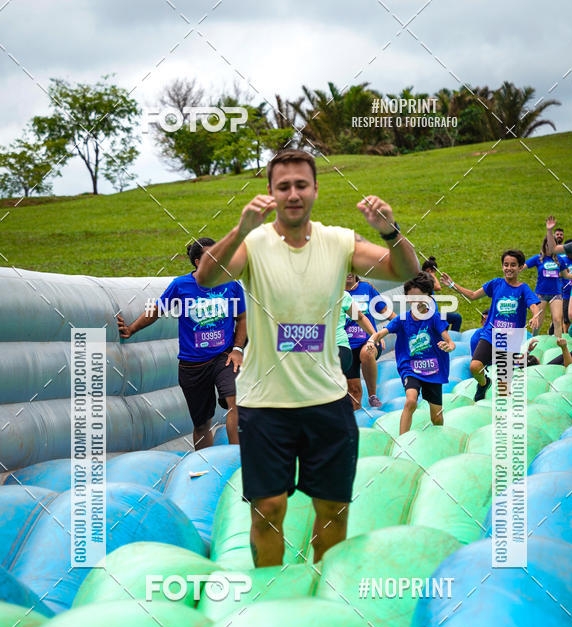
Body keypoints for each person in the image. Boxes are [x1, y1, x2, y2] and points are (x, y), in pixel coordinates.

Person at [195, 148, 420, 567]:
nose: (293, 193)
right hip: (265, 405)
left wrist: (391, 231)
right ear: (270, 193)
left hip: (327, 402)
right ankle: (270, 600)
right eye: (284, 186)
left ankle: (324, 596)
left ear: (315, 189)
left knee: (332, 512)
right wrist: (241, 228)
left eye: (301, 184)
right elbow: (206, 277)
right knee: (268, 512)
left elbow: (404, 269)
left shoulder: (338, 241)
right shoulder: (253, 244)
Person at [117, 238, 246, 451]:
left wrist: (237, 349)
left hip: (223, 357)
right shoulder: (181, 286)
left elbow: (242, 318)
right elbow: (156, 311)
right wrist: (131, 329)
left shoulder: (231, 284)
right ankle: (206, 466)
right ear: (197, 262)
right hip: (192, 365)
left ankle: (238, 463)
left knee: (236, 403)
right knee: (202, 423)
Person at [441, 250, 541, 401]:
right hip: (490, 334)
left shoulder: (523, 288)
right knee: (474, 366)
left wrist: (535, 315)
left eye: (513, 265)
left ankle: (504, 413)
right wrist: (453, 285)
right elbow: (473, 295)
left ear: (520, 268)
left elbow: (534, 305)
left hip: (510, 339)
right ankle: (484, 383)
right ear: (502, 267)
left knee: (503, 386)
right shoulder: (496, 284)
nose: (509, 268)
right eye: (506, 264)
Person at [364, 273, 455, 433]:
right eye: (411, 298)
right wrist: (372, 341)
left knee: (437, 417)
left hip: (433, 370)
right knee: (410, 401)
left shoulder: (434, 317)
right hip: (411, 368)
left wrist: (448, 346)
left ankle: (440, 437)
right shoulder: (402, 319)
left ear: (428, 296)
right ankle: (402, 440)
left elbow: (450, 342)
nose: (416, 302)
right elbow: (380, 333)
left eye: (420, 297)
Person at [343, 272, 392, 409]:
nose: (349, 273)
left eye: (352, 269)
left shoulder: (366, 288)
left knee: (367, 353)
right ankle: (356, 425)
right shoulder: (336, 293)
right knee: (354, 391)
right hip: (347, 346)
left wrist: (408, 325)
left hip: (368, 340)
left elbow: (385, 312)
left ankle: (372, 396)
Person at [524, 218, 571, 336]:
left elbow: (566, 275)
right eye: (548, 244)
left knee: (557, 320)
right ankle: (534, 341)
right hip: (541, 294)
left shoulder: (560, 260)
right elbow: (523, 266)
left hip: (556, 293)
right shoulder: (538, 258)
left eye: (552, 245)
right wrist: (512, 270)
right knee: (538, 322)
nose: (549, 247)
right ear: (544, 245)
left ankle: (558, 344)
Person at [337, 289, 376, 379]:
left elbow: (359, 318)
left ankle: (372, 393)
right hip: (314, 348)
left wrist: (375, 335)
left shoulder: (341, 295)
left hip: (339, 347)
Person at [422, 256, 462, 331]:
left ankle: (453, 337)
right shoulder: (423, 280)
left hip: (435, 314)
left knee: (456, 318)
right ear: (429, 270)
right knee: (454, 319)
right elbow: (438, 287)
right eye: (434, 272)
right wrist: (432, 275)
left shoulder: (426, 279)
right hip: (429, 316)